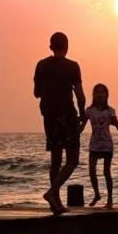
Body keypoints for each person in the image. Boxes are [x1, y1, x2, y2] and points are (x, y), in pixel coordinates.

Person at [33, 32, 85, 215]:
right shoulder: (72, 66)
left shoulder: (41, 65)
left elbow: (36, 93)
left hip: (49, 116)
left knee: (55, 160)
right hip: (67, 115)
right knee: (72, 160)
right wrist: (83, 115)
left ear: (50, 47)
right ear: (67, 46)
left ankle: (55, 203)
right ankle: (52, 192)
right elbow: (80, 95)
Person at [80, 83, 118, 208]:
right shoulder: (89, 111)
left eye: (102, 92)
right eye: (97, 92)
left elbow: (117, 124)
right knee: (91, 171)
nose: (100, 94)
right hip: (94, 145)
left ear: (107, 95)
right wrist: (74, 134)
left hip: (107, 145)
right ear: (93, 95)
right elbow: (82, 126)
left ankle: (110, 199)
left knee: (107, 172)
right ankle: (96, 194)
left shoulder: (110, 110)